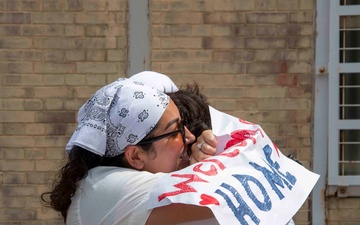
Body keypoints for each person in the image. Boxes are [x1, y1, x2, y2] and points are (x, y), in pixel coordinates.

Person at [41, 77, 218, 225]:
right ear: (135, 155)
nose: (189, 138)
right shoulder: (107, 187)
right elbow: (226, 197)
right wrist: (216, 157)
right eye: (176, 130)